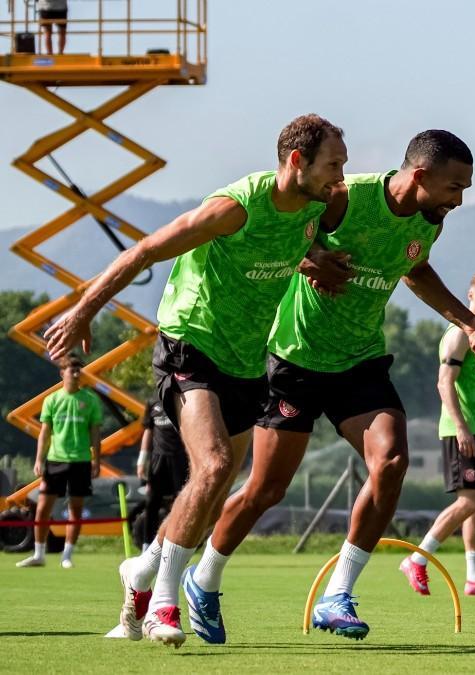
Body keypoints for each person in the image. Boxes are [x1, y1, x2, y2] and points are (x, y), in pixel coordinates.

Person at [44, 113, 351, 647]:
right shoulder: (233, 208)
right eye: (333, 165)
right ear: (296, 161)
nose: (340, 177)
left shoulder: (312, 209)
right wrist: (81, 312)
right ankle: (165, 605)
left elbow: (282, 251)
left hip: (246, 362)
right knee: (211, 467)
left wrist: (317, 261)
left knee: (211, 491)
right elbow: (145, 250)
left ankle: (139, 578)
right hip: (192, 344)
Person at [192, 131, 475, 643]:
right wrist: (308, 255)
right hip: (294, 359)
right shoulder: (344, 197)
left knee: (392, 461)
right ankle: (203, 578)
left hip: (360, 362)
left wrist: (471, 323)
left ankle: (338, 594)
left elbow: (414, 270)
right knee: (266, 490)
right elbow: (282, 226)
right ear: (420, 176)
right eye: (454, 187)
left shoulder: (429, 220)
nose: (459, 200)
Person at [401, 271, 475, 597]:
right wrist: (462, 428)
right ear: (470, 296)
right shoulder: (458, 334)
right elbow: (443, 383)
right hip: (460, 430)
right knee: (469, 501)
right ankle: (417, 559)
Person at [16, 354, 102, 569]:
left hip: (81, 460)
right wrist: (39, 459)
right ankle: (39, 554)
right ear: (62, 373)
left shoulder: (90, 400)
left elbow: (95, 434)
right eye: (71, 370)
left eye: (78, 370)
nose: (75, 373)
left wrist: (96, 460)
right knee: (43, 507)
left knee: (76, 509)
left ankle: (67, 555)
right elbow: (45, 433)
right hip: (55, 460)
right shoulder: (52, 400)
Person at [136, 398, 188, 552]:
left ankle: (177, 545)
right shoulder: (152, 402)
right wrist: (142, 460)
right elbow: (148, 430)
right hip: (158, 460)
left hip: (180, 458)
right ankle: (146, 546)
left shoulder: (181, 399)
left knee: (181, 502)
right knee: (152, 502)